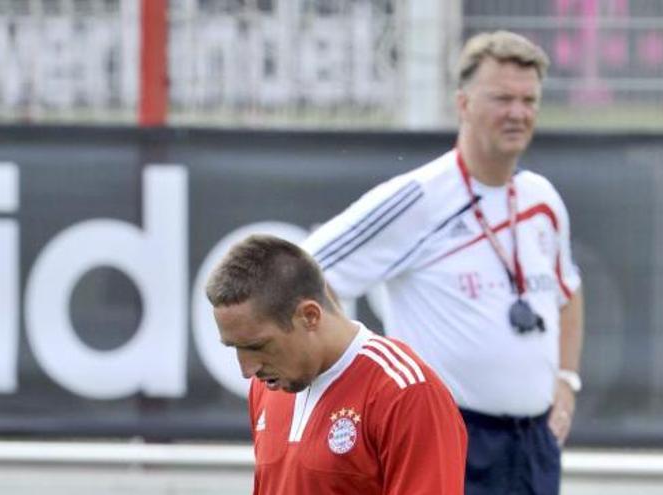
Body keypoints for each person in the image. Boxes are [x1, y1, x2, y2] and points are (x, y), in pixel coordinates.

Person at [302, 30, 584, 494]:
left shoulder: (541, 200)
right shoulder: (418, 197)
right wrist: (369, 383)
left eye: (529, 100)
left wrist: (567, 381)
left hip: (534, 444)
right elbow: (306, 271)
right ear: (463, 103)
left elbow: (568, 292)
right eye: (501, 98)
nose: (518, 112)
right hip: (447, 436)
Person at [205, 234, 468, 495]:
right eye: (234, 347)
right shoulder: (268, 384)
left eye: (257, 346)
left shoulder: (407, 393)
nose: (246, 369)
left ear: (310, 316)